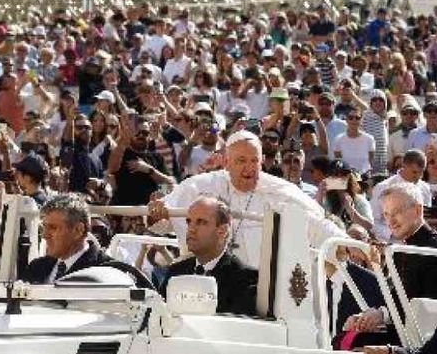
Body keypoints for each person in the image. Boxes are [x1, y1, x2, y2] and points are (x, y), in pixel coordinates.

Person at [150, 131, 344, 259]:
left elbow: (315, 223)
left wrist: (344, 242)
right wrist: (156, 212)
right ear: (227, 162)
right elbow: (160, 222)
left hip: (258, 289)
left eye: (254, 161)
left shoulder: (277, 190)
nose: (249, 168)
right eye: (241, 160)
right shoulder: (201, 186)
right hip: (203, 280)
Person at [22, 194, 147, 286]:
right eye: (44, 227)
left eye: (53, 228)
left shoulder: (109, 273)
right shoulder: (36, 268)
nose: (44, 235)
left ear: (78, 230)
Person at [160, 197, 257, 316]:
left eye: (201, 222)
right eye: (189, 221)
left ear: (222, 231)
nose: (191, 229)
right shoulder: (176, 271)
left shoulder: (244, 278)